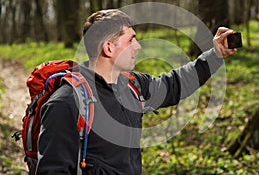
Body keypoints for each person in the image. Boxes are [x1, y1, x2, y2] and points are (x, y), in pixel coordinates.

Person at [36, 9, 237, 174]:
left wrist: (215, 55)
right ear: (108, 48)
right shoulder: (66, 103)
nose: (138, 46)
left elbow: (175, 84)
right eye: (131, 40)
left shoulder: (132, 86)